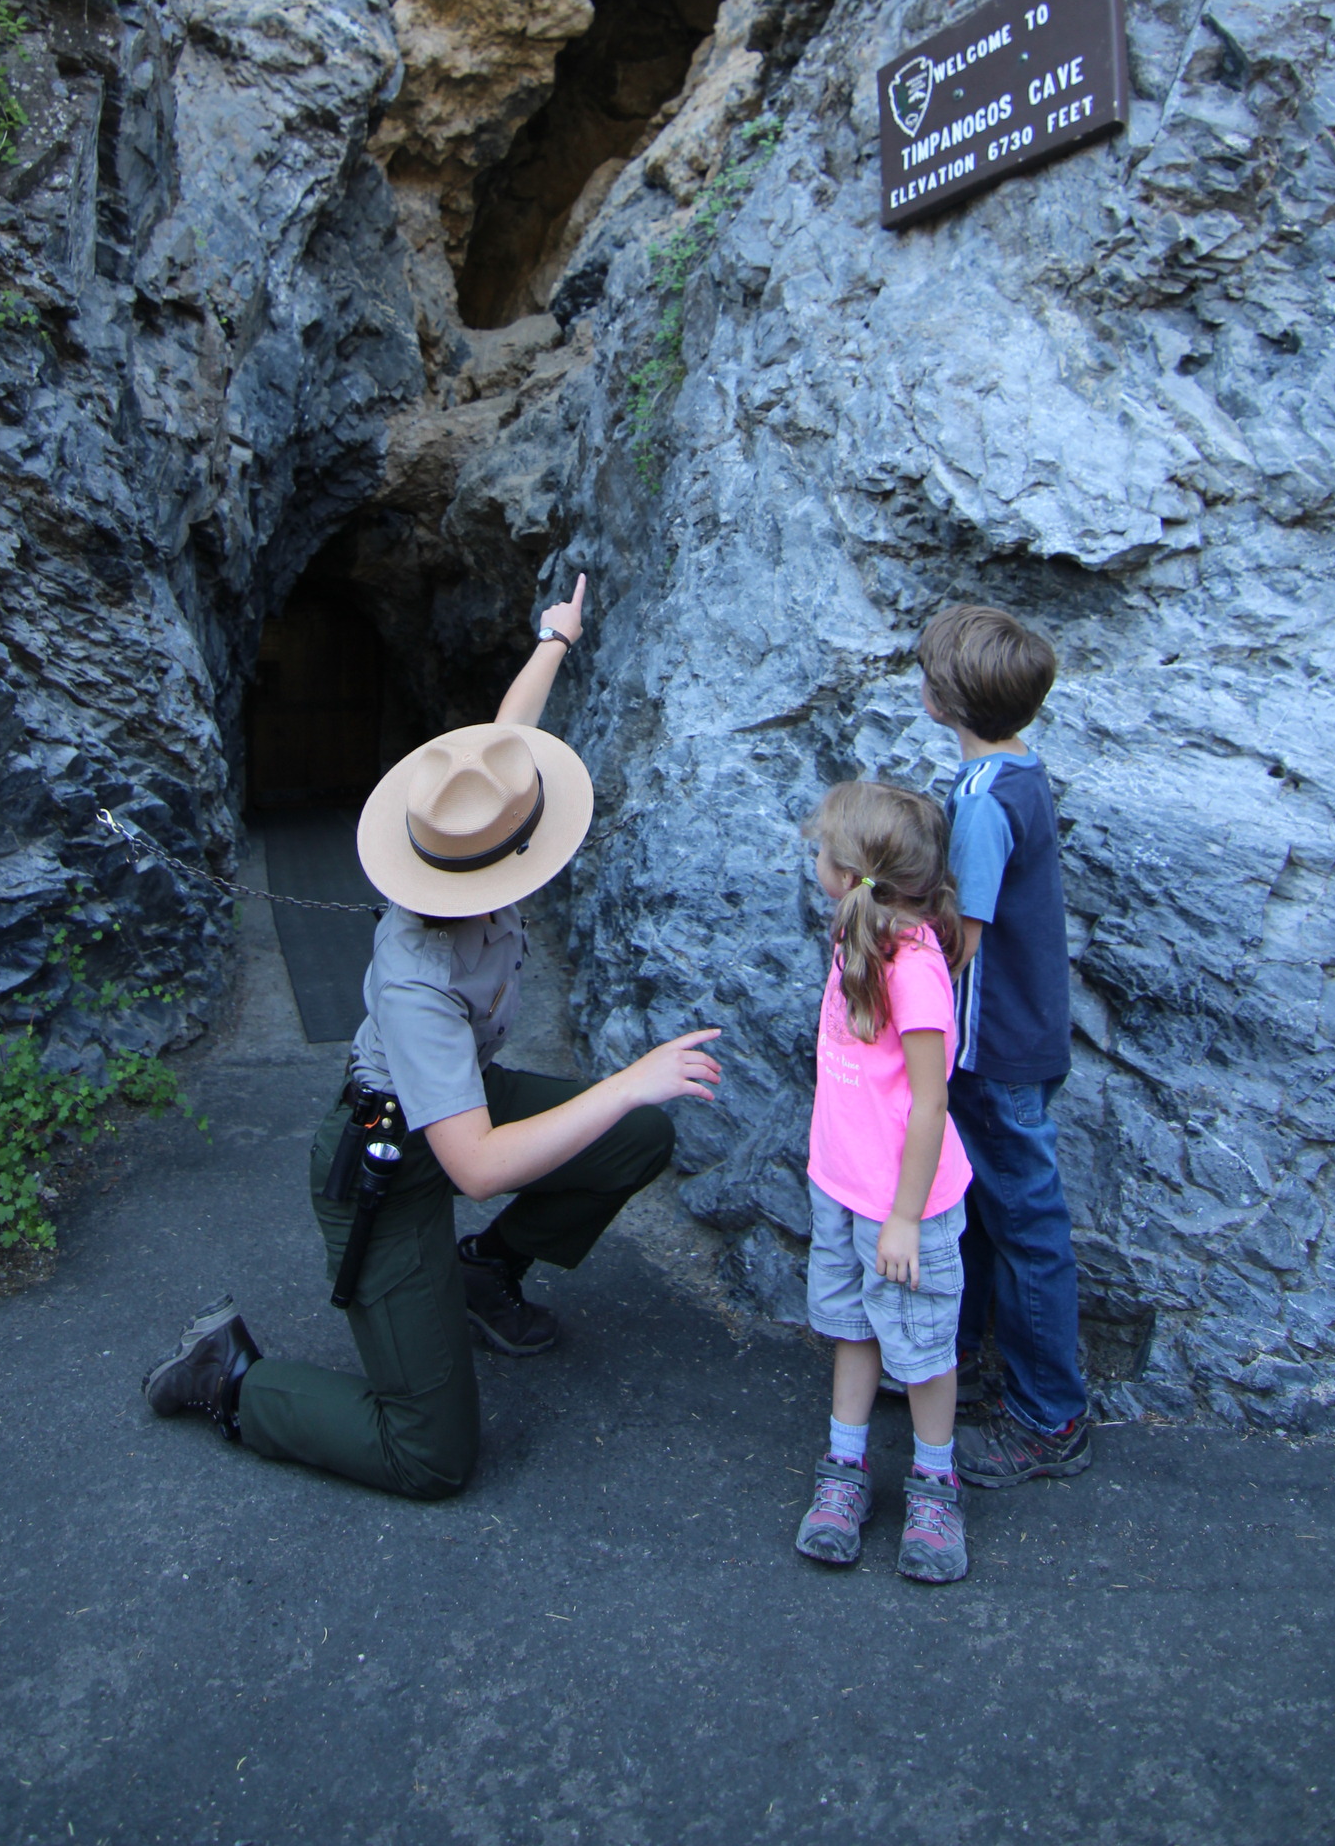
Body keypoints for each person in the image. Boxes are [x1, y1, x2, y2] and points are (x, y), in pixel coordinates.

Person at [140, 573, 722, 1501]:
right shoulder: (417, 975)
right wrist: (625, 1079)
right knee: (431, 1452)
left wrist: (555, 638)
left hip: (459, 1105)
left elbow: (507, 740)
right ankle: (231, 1376)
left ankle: (485, 1275)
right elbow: (478, 1169)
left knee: (640, 1136)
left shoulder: (472, 845)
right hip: (389, 1158)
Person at [918, 602, 1091, 1486]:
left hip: (991, 1048)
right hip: (1021, 1035)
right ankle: (964, 1368)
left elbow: (965, 938)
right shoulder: (1020, 769)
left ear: (943, 700)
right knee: (985, 1210)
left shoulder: (984, 802)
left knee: (1025, 1224)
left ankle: (1047, 1415)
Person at [793, 781, 974, 1585]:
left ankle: (936, 1482)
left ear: (852, 872)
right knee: (853, 1327)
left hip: (906, 1204)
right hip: (840, 1183)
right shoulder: (857, 930)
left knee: (925, 1348)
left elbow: (932, 1100)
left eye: (822, 849)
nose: (815, 856)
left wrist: (903, 1218)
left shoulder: (916, 967)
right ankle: (846, 1466)